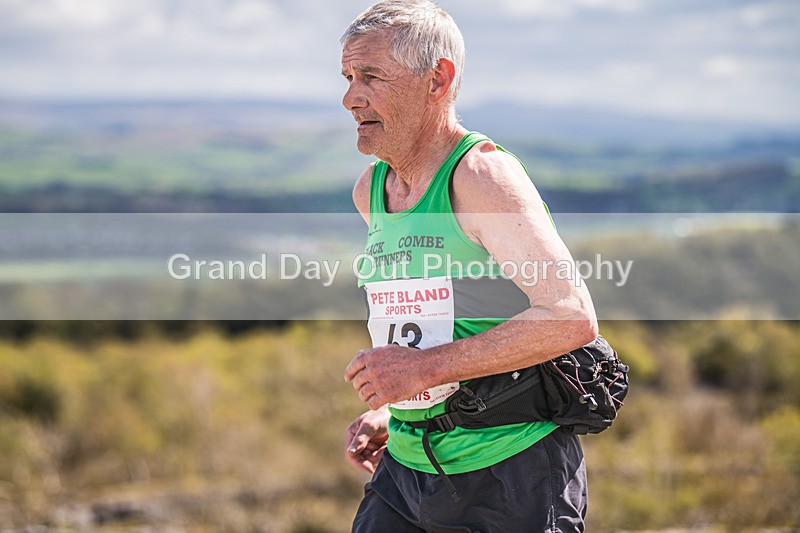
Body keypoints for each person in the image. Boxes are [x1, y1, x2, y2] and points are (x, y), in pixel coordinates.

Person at [340, 1, 598, 531]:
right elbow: (443, 319)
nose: (349, 98)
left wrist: (421, 371)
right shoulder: (371, 191)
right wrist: (397, 407)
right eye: (347, 77)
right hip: (408, 467)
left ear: (438, 78)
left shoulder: (481, 177)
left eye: (371, 76)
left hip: (510, 469)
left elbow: (570, 317)